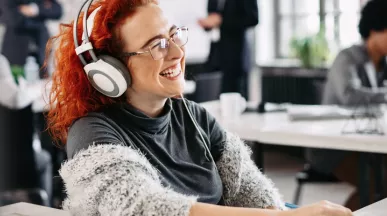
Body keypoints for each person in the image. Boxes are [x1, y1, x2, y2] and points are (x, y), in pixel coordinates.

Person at [47, 0, 352, 215]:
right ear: (110, 69)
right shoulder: (92, 132)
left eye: (174, 35)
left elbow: (256, 196)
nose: (179, 52)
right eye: (158, 45)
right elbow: (142, 208)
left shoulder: (196, 117)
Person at [305, 0, 387, 210]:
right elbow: (350, 97)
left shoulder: (382, 63)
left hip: (366, 143)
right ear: (374, 30)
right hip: (334, 147)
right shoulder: (348, 58)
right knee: (377, 184)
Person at [0, 54, 52, 205]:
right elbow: (16, 99)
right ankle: (44, 205)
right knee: (45, 159)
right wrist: (38, 88)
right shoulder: (1, 61)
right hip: (13, 163)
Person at [199, 0, 258, 99]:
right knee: (213, 91)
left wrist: (222, 21)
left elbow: (253, 18)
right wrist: (207, 23)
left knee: (235, 92)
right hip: (216, 52)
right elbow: (212, 18)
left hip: (236, 53)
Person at [2, 0, 62, 76]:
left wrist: (35, 9)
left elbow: (57, 10)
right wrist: (39, 16)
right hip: (15, 53)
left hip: (41, 54)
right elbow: (10, 17)